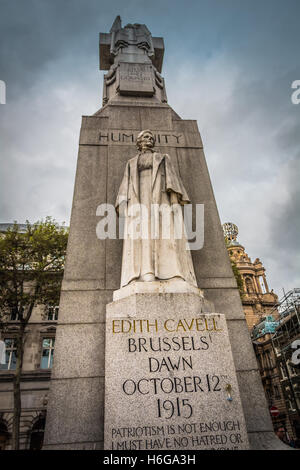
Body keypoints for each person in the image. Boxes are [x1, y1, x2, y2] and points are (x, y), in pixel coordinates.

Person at [116, 129, 197, 288]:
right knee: (143, 237)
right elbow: (125, 186)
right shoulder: (131, 163)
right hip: (138, 203)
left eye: (151, 137)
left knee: (166, 235)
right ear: (139, 142)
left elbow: (172, 181)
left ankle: (172, 272)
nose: (149, 139)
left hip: (161, 200)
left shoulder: (163, 158)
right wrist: (124, 206)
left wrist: (174, 201)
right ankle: (147, 272)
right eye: (146, 137)